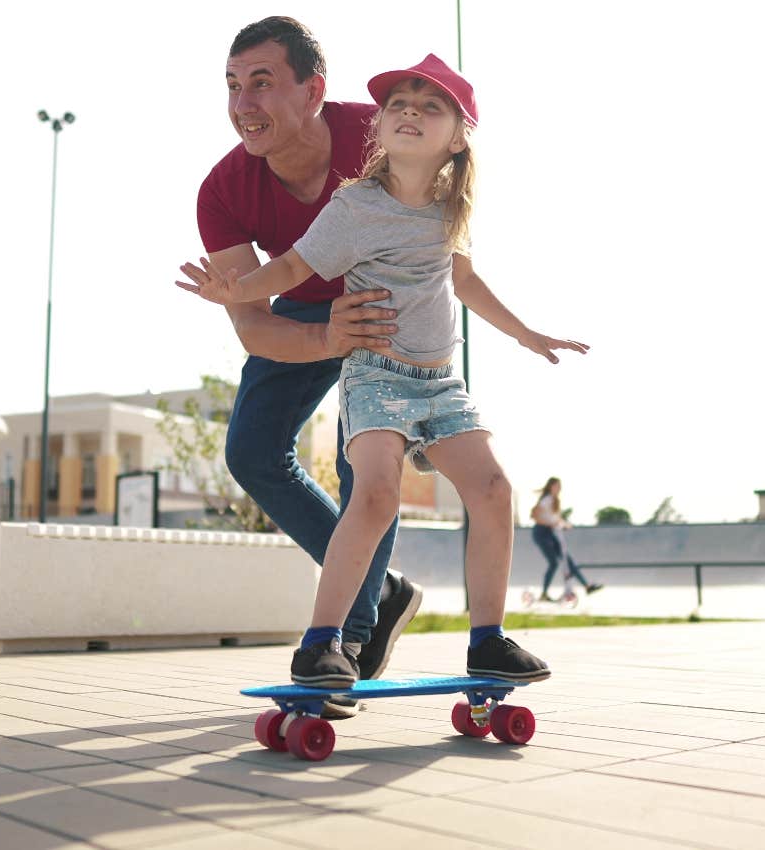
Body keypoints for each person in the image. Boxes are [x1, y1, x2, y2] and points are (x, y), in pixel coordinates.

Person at [179, 53, 589, 686]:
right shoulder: (352, 205)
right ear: (381, 123)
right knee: (370, 491)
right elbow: (290, 269)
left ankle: (486, 640)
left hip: (440, 381)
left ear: (457, 139)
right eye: (399, 104)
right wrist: (234, 290)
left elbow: (465, 278)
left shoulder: (449, 207)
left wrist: (525, 333)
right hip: (376, 372)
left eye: (430, 108)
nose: (408, 113)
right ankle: (324, 641)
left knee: (494, 490)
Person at [178, 18, 422, 709]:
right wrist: (325, 340)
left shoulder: (376, 136)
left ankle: (345, 635)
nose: (243, 103)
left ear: (314, 90)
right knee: (252, 451)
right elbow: (254, 326)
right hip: (309, 313)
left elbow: (445, 211)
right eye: (232, 86)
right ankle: (383, 589)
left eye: (262, 83)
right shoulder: (222, 192)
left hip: (389, 300)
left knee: (362, 461)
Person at [531, 477, 603, 601]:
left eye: (560, 486)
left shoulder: (555, 501)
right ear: (551, 486)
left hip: (551, 532)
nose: (559, 489)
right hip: (541, 532)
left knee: (567, 560)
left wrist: (565, 524)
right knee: (553, 563)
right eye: (557, 486)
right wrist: (549, 524)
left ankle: (587, 586)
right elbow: (534, 516)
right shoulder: (546, 499)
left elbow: (555, 519)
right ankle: (544, 594)